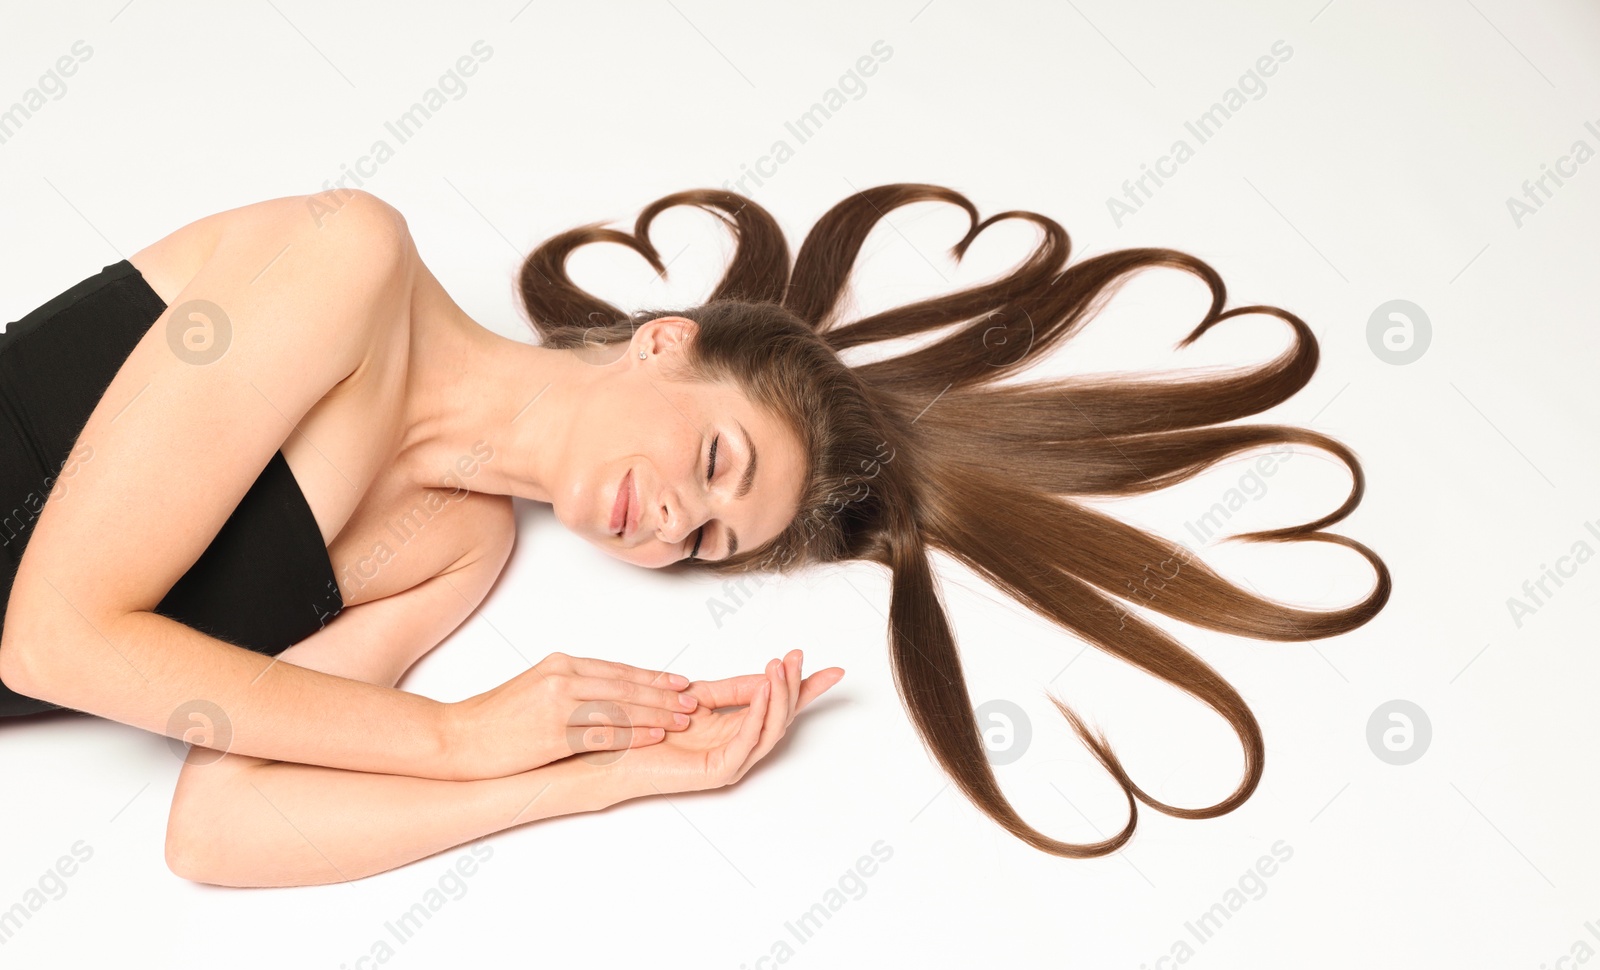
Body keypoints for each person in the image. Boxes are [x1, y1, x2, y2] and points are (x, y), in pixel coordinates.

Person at [0, 182, 1389, 887]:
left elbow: (222, 827)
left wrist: (599, 775)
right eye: (716, 459)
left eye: (715, 540)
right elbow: (54, 638)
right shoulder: (344, 257)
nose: (678, 520)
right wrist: (457, 733)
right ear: (663, 344)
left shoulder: (453, 549)